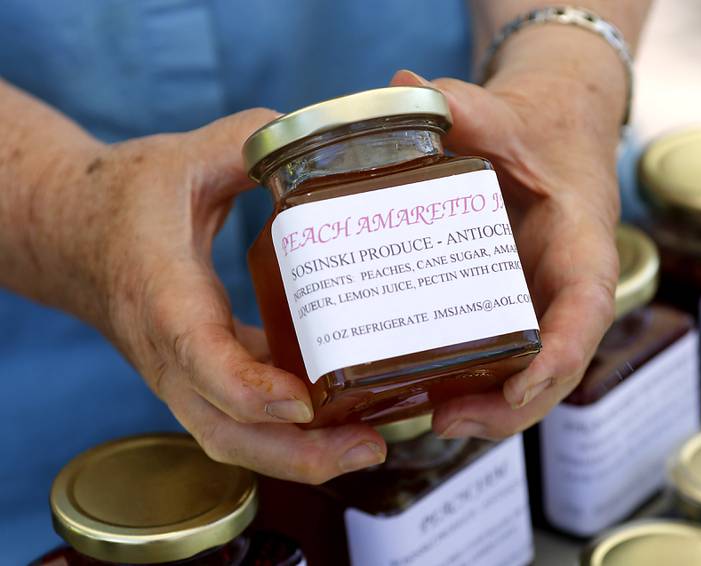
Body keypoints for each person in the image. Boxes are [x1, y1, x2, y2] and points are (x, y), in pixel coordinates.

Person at [0, 1, 651, 561]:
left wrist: (567, 77)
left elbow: (565, 75)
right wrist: (65, 208)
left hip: (510, 188)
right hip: (49, 389)